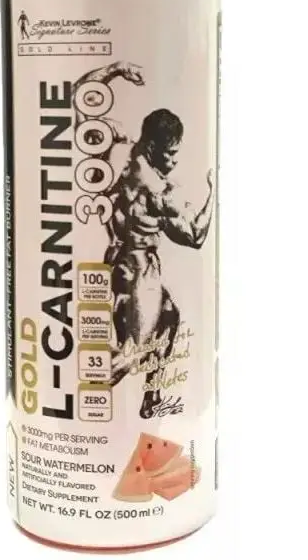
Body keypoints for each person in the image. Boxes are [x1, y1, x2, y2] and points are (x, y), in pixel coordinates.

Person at [73, 61, 215, 418]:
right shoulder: (159, 192)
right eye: (171, 153)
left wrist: (115, 69)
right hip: (141, 271)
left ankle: (151, 399)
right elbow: (196, 236)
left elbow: (81, 100)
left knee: (170, 316)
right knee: (131, 354)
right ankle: (69, 407)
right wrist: (215, 192)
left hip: (117, 262)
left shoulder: (118, 150)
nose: (175, 161)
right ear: (152, 147)